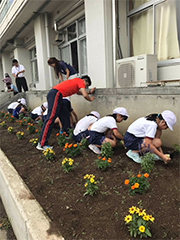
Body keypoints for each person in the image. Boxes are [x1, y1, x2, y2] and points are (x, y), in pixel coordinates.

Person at [36, 75, 95, 151]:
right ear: (85, 81)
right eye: (86, 86)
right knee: (51, 118)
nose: (84, 87)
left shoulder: (75, 83)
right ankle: (42, 143)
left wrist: (89, 92)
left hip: (58, 96)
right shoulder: (80, 81)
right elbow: (84, 95)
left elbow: (79, 93)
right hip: (56, 94)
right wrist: (90, 99)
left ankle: (66, 134)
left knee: (65, 115)